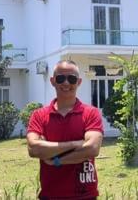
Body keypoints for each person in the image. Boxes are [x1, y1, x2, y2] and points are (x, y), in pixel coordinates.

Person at [26, 60, 104, 199]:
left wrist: (56, 160)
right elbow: (34, 149)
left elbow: (92, 149)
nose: (66, 83)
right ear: (52, 81)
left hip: (85, 195)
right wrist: (77, 144)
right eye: (61, 78)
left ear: (79, 82)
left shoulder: (91, 113)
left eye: (72, 78)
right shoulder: (39, 115)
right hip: (51, 195)